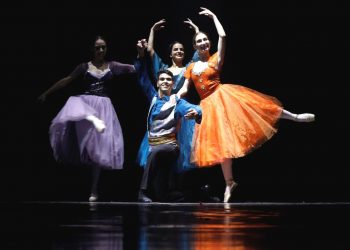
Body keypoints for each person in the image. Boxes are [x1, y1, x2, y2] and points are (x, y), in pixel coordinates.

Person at [177, 7, 316, 203]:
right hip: (207, 106)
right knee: (223, 145)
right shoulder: (191, 67)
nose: (203, 42)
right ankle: (229, 183)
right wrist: (176, 96)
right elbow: (185, 87)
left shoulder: (216, 59)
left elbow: (223, 36)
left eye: (205, 40)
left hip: (223, 97)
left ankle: (293, 116)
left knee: (258, 108)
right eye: (199, 41)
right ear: (195, 45)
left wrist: (215, 17)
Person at [37, 35, 136, 202]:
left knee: (97, 151)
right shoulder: (84, 67)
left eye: (103, 47)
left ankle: (94, 189)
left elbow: (133, 68)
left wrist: (141, 53)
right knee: (73, 101)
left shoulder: (112, 66)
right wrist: (46, 93)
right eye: (97, 48)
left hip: (104, 107)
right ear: (92, 49)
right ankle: (91, 119)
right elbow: (66, 80)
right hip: (87, 104)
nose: (100, 50)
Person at [135, 39, 202, 202]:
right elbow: (142, 76)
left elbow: (195, 108)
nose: (165, 82)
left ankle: (142, 191)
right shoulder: (152, 97)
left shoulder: (176, 101)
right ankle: (169, 192)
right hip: (153, 142)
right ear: (157, 82)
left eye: (168, 80)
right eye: (162, 79)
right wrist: (140, 55)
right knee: (161, 175)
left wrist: (196, 112)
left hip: (170, 145)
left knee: (156, 153)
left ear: (172, 84)